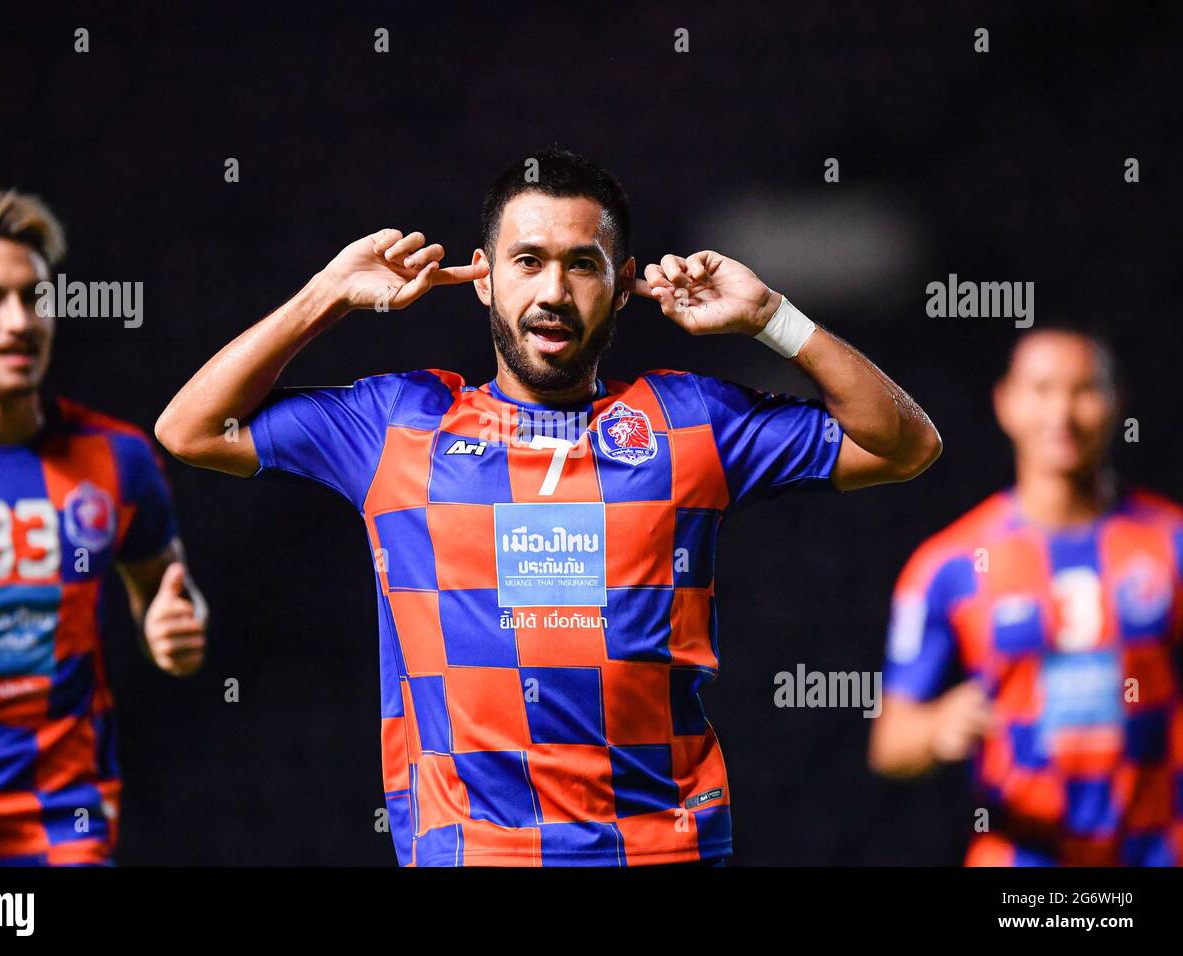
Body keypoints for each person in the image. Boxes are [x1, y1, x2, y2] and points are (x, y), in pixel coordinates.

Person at [157, 148, 941, 866]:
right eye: (527, 262)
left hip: (660, 850)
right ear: (484, 277)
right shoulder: (397, 426)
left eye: (583, 265)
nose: (553, 293)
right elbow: (188, 428)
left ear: (624, 282)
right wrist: (326, 294)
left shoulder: (691, 423)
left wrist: (774, 315)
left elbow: (904, 445)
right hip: (476, 853)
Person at [0, 186, 207, 864]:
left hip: (62, 822)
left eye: (34, 299)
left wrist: (168, 628)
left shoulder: (118, 459)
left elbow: (162, 591)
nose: (18, 322)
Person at [870, 327, 1182, 866]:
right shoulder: (950, 565)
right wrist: (937, 726)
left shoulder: (1171, 543)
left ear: (1116, 403)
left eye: (1083, 390)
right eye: (1041, 390)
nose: (1061, 412)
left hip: (1156, 849)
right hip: (1021, 863)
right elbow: (891, 742)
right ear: (1006, 403)